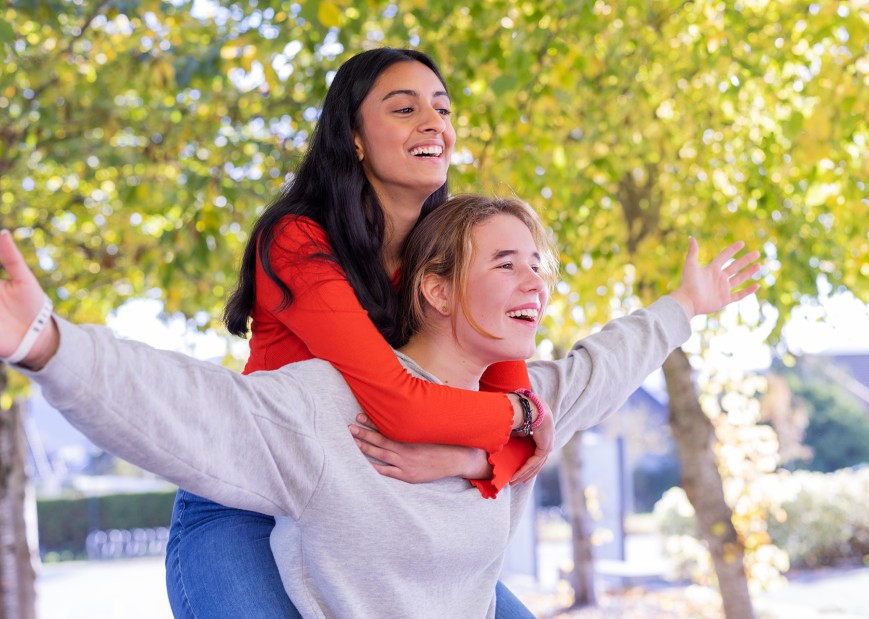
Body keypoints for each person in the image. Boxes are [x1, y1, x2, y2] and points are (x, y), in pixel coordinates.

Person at [0, 194, 760, 618]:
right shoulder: (330, 407)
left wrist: (686, 305)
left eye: (540, 266)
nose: (537, 282)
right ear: (434, 288)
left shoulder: (526, 399)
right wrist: (48, 343)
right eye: (506, 263)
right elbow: (188, 406)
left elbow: (609, 360)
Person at [166, 48, 552, 618]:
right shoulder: (297, 241)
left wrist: (467, 458)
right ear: (353, 137)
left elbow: (514, 439)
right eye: (404, 109)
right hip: (244, 499)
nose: (433, 124)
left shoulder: (450, 258)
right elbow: (410, 409)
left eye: (442, 110)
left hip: (369, 514)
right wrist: (525, 419)